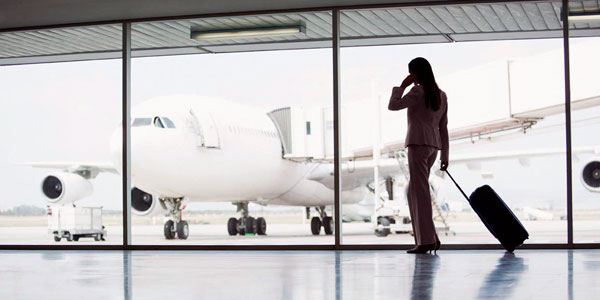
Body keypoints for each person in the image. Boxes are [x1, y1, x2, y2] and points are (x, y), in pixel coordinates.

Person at [388, 57, 449, 254]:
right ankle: (429, 238)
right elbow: (443, 128)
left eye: (411, 73)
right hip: (433, 146)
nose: (410, 76)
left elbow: (393, 105)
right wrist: (444, 156)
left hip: (417, 143)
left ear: (416, 73)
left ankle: (426, 242)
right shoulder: (441, 95)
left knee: (419, 193)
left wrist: (402, 86)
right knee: (413, 191)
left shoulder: (417, 90)